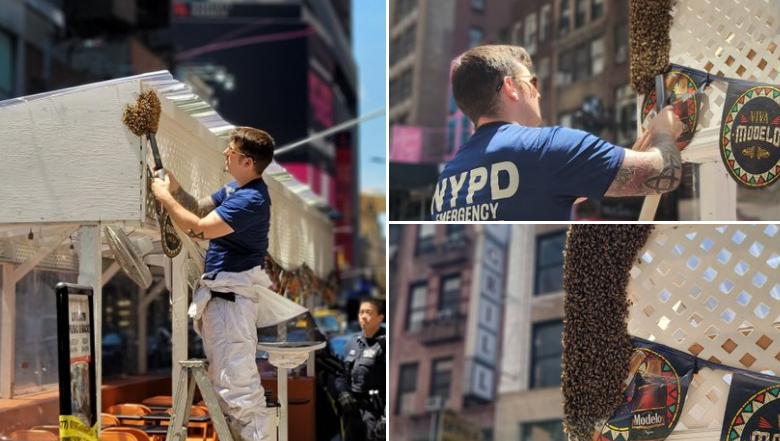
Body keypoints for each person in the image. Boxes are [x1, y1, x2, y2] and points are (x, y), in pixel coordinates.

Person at [151, 126, 298, 441]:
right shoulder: (234, 190)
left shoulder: (251, 199)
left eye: (230, 150)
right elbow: (197, 208)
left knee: (239, 391)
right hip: (221, 298)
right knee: (227, 386)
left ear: (247, 161)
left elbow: (199, 228)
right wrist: (175, 189)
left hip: (230, 299)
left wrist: (164, 197)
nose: (224, 154)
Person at [431, 44, 685, 221]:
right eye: (533, 82)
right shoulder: (551, 146)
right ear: (511, 87)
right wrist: (664, 130)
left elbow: (538, 194)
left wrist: (623, 160)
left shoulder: (448, 177)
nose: (538, 93)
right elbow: (665, 174)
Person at [336, 298, 386, 440]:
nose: (363, 316)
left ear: (380, 318)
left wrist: (386, 417)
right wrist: (343, 392)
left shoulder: (385, 344)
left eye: (368, 312)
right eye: (361, 312)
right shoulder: (352, 343)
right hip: (353, 414)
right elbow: (341, 375)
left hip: (375, 414)